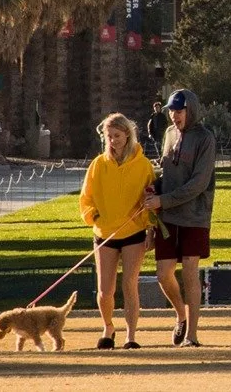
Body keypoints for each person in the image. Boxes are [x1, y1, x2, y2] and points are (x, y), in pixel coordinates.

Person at [145, 89, 216, 347]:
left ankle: (192, 335)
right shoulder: (168, 134)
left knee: (189, 270)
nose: (174, 116)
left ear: (191, 111)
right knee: (164, 274)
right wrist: (155, 188)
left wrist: (164, 200)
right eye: (172, 111)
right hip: (167, 216)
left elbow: (199, 183)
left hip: (195, 216)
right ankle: (180, 314)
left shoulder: (205, 139)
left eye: (179, 111)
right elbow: (167, 172)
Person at [80, 113, 154, 349]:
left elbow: (150, 196)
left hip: (133, 232)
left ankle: (131, 335)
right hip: (104, 233)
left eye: (117, 136)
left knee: (129, 284)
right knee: (105, 290)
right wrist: (94, 216)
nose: (113, 140)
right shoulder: (98, 164)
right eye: (109, 136)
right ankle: (108, 326)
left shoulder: (143, 165)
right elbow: (86, 197)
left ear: (128, 135)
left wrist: (147, 222)